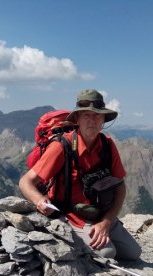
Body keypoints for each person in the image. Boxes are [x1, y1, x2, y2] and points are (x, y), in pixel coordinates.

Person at [19, 89, 141, 260]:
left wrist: (106, 222)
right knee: (108, 253)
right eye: (86, 115)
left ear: (104, 120)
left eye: (97, 116)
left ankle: (100, 233)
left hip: (101, 214)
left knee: (133, 253)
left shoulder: (107, 146)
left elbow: (120, 187)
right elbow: (26, 181)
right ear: (77, 119)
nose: (92, 120)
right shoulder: (62, 146)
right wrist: (39, 200)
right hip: (72, 215)